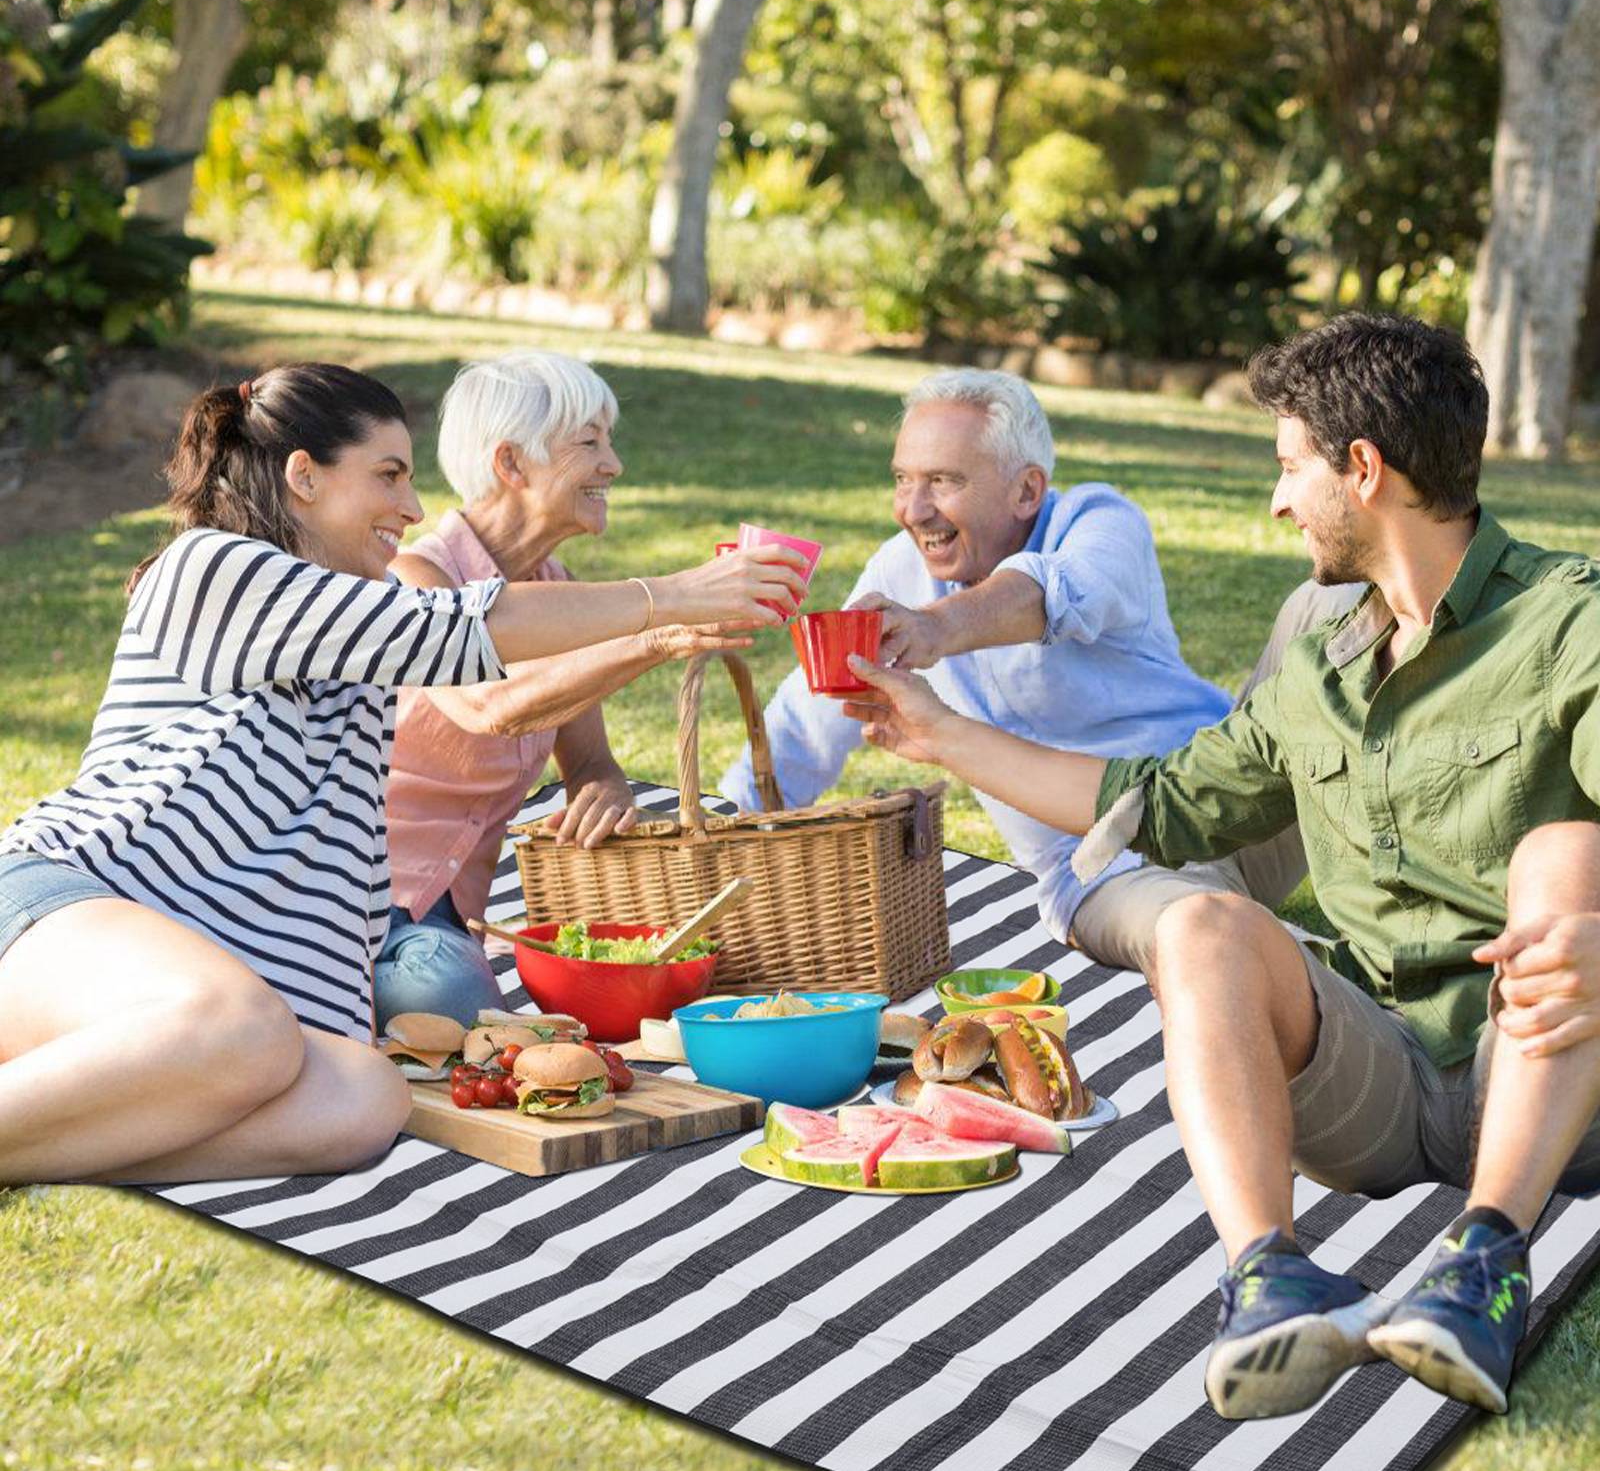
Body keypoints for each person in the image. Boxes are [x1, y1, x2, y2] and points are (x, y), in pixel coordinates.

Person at [842, 314, 1600, 1423]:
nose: (1277, 499)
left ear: (1363, 469)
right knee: (1196, 926)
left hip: (1546, 1076)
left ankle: (1481, 1264)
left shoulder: (1567, 623)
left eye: (1290, 467)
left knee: (1566, 851)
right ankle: (1270, 1278)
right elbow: (1154, 804)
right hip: (1382, 1075)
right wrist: (932, 733)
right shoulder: (1323, 656)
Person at [0, 363, 806, 1187]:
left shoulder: (357, 673)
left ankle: (52, 1131)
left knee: (362, 1096)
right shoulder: (212, 569)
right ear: (304, 476)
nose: (414, 508)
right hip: (62, 912)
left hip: (194, 1001)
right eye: (388, 475)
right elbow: (458, 632)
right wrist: (671, 597)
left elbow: (342, 904)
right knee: (248, 1029)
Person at [719, 367, 1355, 967]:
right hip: (1109, 869)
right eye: (902, 480)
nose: (913, 509)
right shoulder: (898, 570)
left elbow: (1053, 592)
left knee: (1336, 599)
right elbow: (806, 721)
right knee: (1214, 944)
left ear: (1027, 490)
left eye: (943, 481)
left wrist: (936, 627)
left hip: (1239, 798)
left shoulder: (1102, 524)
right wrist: (728, 829)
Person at [376, 351, 752, 1026]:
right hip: (366, 898)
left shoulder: (557, 586)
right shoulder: (415, 579)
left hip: (454, 912)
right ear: (511, 464)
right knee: (454, 1011)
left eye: (609, 441)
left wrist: (601, 786)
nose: (614, 465)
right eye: (589, 442)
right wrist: (660, 631)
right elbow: (489, 704)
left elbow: (588, 760)